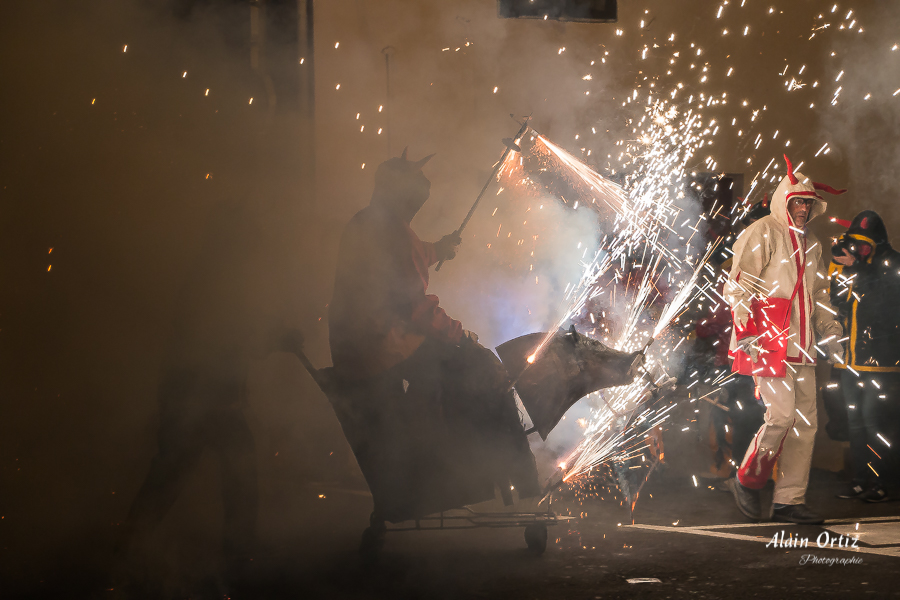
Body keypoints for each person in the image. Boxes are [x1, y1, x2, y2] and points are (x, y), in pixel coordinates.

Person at [328, 148, 540, 518]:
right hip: (382, 347)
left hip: (353, 344)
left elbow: (397, 261)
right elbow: (415, 308)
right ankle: (510, 477)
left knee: (459, 364)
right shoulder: (395, 232)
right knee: (484, 369)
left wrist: (435, 250)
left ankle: (468, 469)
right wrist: (460, 336)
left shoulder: (365, 222)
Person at [724, 155, 845, 524]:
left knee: (804, 426)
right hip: (768, 341)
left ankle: (789, 501)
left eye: (808, 202)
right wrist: (745, 330)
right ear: (784, 202)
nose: (804, 208)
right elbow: (738, 285)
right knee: (781, 417)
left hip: (803, 348)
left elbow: (818, 297)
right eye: (798, 201)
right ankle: (747, 479)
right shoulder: (762, 231)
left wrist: (831, 333)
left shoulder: (813, 245)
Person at [830, 210, 900, 502]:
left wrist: (858, 268)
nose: (859, 250)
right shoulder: (852, 267)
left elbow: (884, 303)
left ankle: (885, 483)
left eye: (864, 244)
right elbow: (837, 301)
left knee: (875, 422)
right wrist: (844, 270)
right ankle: (860, 481)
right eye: (855, 244)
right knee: (855, 422)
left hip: (882, 363)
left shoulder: (892, 263)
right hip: (850, 361)